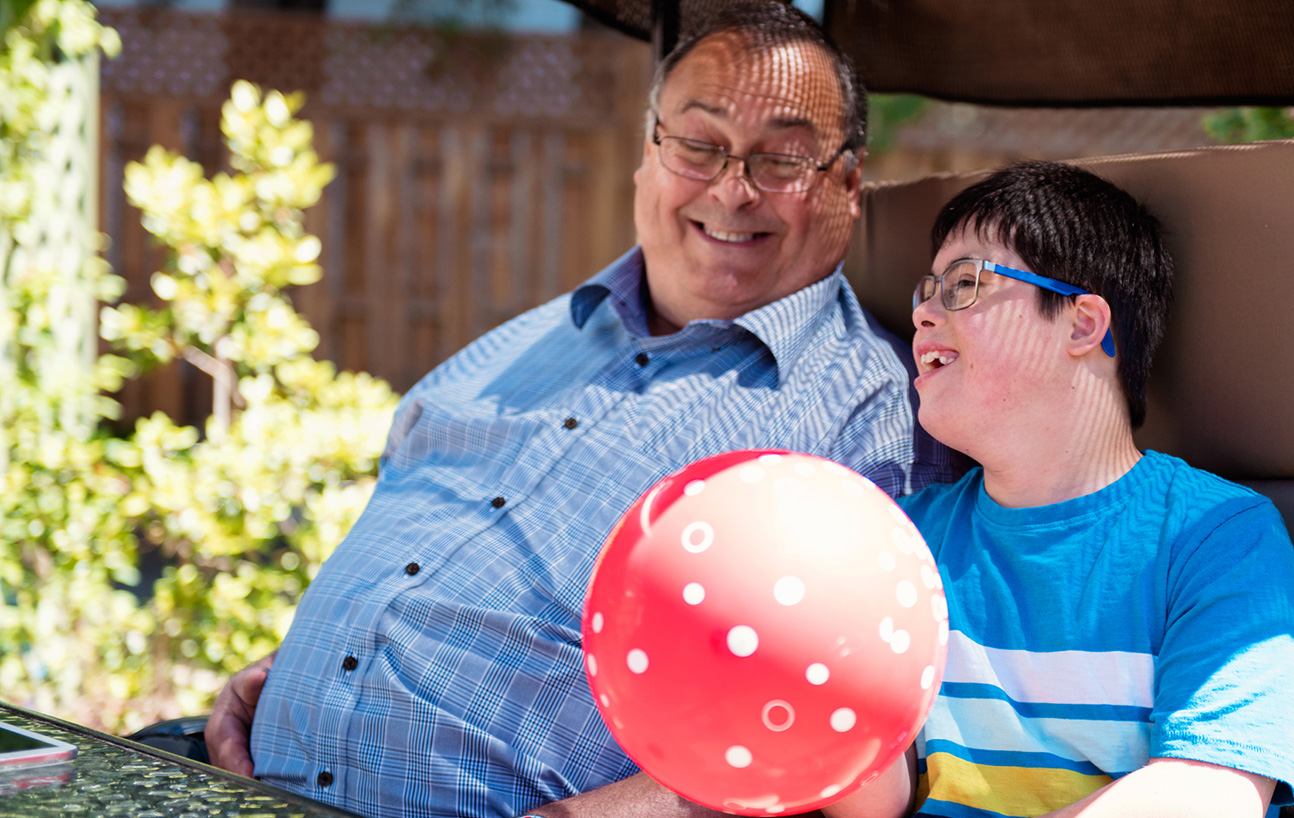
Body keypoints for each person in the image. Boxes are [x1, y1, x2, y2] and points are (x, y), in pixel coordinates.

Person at [203, 6, 953, 818]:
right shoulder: (523, 343)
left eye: (783, 158)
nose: (733, 189)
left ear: (846, 183)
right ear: (649, 155)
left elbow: (859, 734)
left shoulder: (869, 416)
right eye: (699, 146)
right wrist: (303, 671)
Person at [823, 161, 1294, 818]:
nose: (924, 315)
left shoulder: (1220, 535)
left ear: (1083, 325)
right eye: (926, 291)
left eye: (964, 285)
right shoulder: (895, 541)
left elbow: (1212, 792)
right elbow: (874, 803)